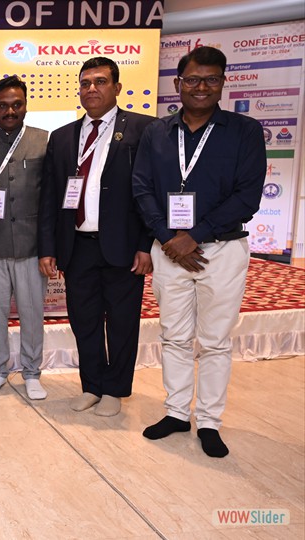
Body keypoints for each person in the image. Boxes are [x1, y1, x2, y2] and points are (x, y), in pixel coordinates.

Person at [133, 46, 266, 458]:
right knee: (173, 336)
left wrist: (196, 235)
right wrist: (168, 237)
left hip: (221, 250)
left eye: (211, 79)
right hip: (168, 249)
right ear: (178, 84)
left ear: (224, 82)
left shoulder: (244, 131)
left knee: (214, 341)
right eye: (192, 79)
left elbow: (248, 195)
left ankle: (209, 421)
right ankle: (176, 413)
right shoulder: (157, 132)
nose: (201, 87)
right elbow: (141, 187)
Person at [38, 57, 155, 416]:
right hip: (77, 247)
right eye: (85, 82)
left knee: (122, 322)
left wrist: (145, 245)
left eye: (100, 81)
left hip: (123, 247)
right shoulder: (62, 137)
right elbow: (50, 197)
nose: (92, 88)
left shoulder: (144, 129)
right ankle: (92, 386)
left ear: (117, 87)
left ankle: (114, 390)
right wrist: (48, 248)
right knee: (84, 321)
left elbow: (152, 192)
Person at [0, 76, 49, 400]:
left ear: (26, 106)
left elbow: (50, 198)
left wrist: (49, 247)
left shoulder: (44, 141)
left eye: (16, 104)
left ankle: (32, 372)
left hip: (31, 246)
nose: (10, 111)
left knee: (32, 313)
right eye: (2, 105)